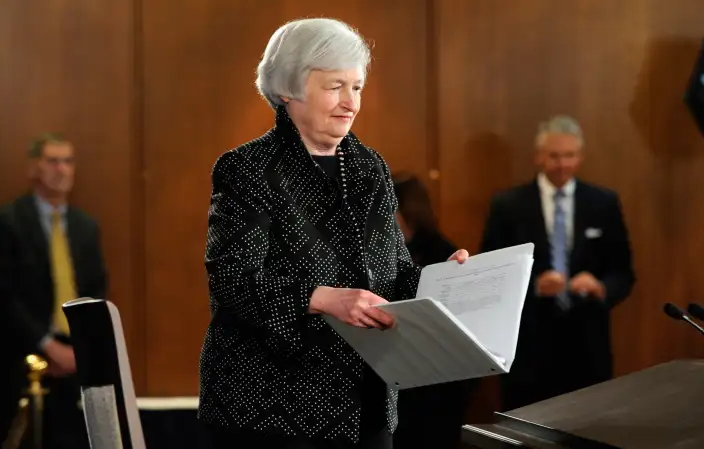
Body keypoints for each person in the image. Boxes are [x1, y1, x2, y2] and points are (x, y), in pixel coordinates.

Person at [199, 18, 469, 449]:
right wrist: (323, 297)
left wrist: (445, 280)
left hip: (369, 401)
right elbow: (232, 281)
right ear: (289, 88)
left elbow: (394, 273)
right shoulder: (246, 169)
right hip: (271, 409)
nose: (350, 103)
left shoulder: (370, 167)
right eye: (335, 87)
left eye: (357, 87)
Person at [480, 115, 635, 411]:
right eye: (554, 156)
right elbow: (491, 273)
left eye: (570, 156)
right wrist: (534, 285)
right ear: (538, 156)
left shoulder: (603, 203)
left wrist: (601, 287)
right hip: (529, 347)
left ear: (581, 156)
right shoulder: (508, 205)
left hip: (588, 346)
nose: (562, 164)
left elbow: (624, 272)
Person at [0, 133, 108, 449]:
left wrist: (81, 349)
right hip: (18, 362)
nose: (61, 169)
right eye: (53, 161)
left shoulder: (86, 226)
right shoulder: (5, 222)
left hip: (75, 365)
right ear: (34, 167)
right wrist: (48, 346)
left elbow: (96, 290)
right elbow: (0, 296)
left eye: (68, 161)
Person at [390, 173, 477, 449]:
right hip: (398, 379)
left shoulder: (444, 254)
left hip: (437, 387)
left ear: (408, 212)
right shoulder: (383, 252)